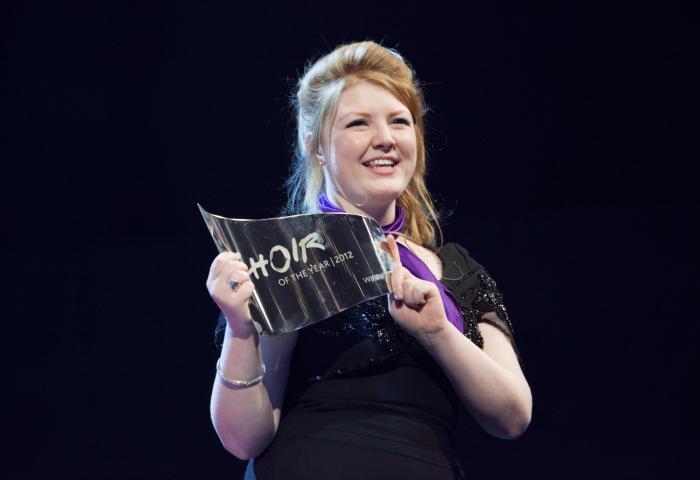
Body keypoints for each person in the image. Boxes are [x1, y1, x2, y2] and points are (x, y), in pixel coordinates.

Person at [206, 41, 532, 480]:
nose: (385, 138)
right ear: (317, 144)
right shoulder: (286, 257)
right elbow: (245, 438)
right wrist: (241, 330)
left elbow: (512, 416)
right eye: (358, 123)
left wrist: (438, 334)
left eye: (400, 121)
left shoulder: (455, 268)